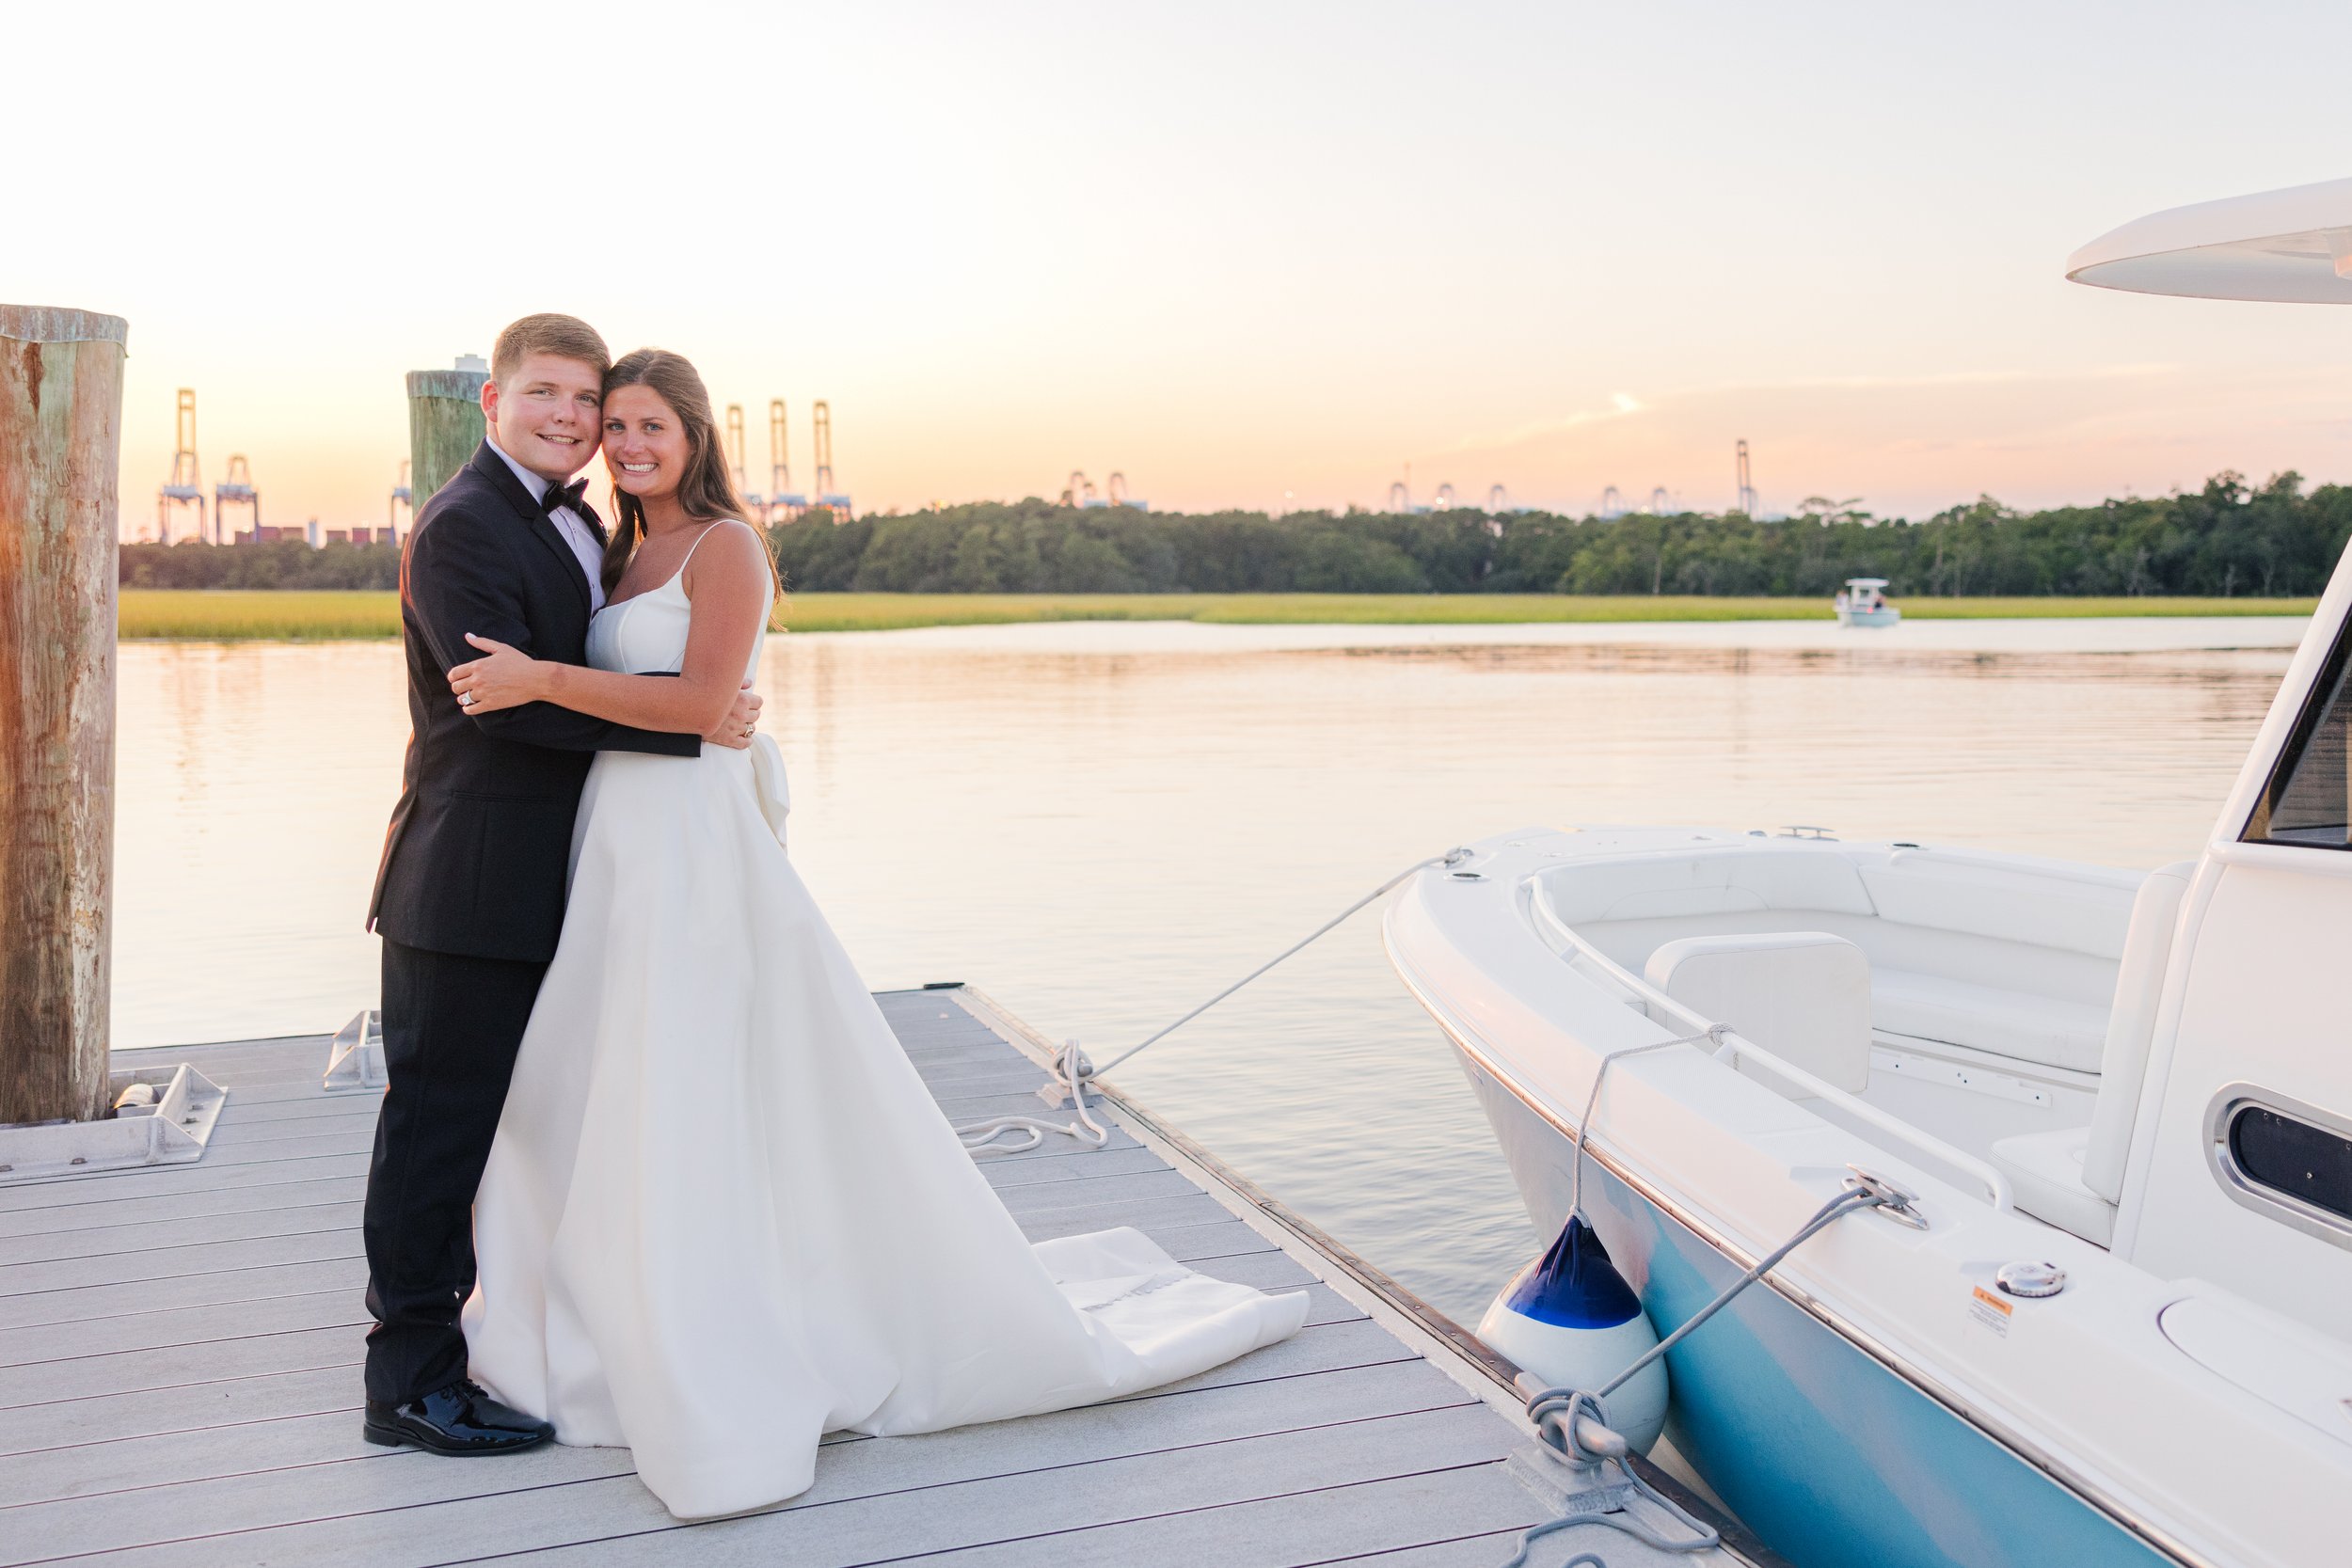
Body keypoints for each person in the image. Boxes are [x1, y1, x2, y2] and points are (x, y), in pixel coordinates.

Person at [442, 347, 1308, 1518]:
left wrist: (545, 672)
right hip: (613, 836)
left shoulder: (726, 545)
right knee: (593, 1076)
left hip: (690, 841)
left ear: (694, 434)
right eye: (617, 424)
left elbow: (702, 706)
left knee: (686, 1067)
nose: (630, 443)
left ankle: (714, 1325)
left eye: (651, 424)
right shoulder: (611, 545)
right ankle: (598, 1312)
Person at [361, 315, 763, 1457]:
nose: (573, 420)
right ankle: (410, 1380)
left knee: (527, 1122)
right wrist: (699, 726)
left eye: (589, 404)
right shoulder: (460, 525)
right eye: (550, 394)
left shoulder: (591, 525)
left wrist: (697, 705)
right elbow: (512, 699)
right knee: (437, 1129)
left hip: (569, 875)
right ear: (492, 399)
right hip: (468, 877)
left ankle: (523, 1327)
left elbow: (596, 671)